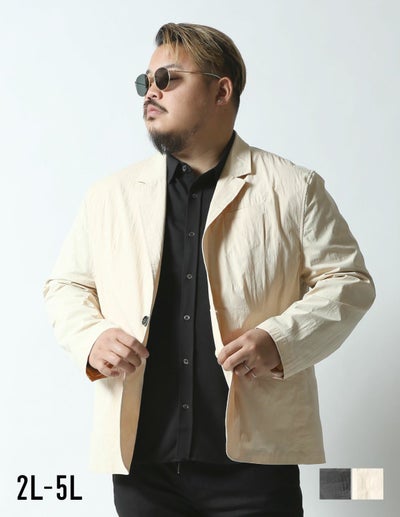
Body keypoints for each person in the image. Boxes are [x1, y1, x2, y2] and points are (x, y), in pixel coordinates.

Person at [44, 22, 375, 517]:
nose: (150, 91)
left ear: (222, 91)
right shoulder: (110, 196)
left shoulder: (294, 188)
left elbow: (349, 282)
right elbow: (66, 285)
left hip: (255, 466)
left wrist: (280, 340)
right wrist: (92, 337)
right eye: (145, 81)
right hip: (143, 466)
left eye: (168, 78)